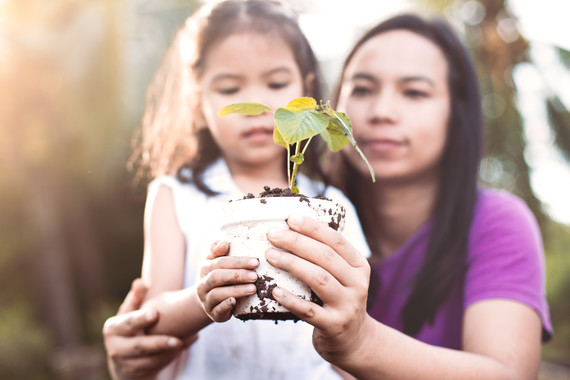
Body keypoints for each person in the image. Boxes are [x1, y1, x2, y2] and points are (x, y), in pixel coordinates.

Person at [254, 13, 553, 379]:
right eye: (362, 89)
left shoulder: (496, 222)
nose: (382, 113)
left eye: (414, 92)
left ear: (456, 112)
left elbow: (509, 374)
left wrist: (361, 343)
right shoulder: (296, 212)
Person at [103, 1, 369, 379]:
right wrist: (202, 298)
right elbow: (151, 315)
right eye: (230, 87)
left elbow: (354, 324)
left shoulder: (331, 206)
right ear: (197, 101)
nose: (257, 106)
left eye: (276, 84)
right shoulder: (175, 196)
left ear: (307, 93)